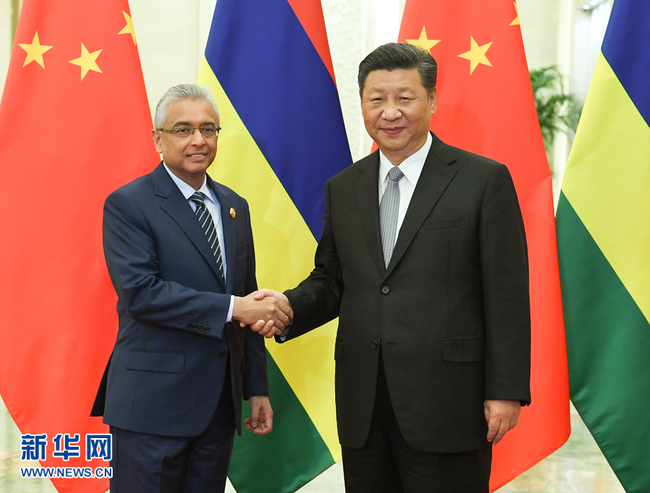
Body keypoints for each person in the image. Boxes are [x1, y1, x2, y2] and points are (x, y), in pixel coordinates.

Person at [254, 43, 531, 492]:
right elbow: (333, 279)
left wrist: (505, 390)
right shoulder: (344, 187)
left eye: (405, 98)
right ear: (362, 103)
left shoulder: (483, 180)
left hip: (448, 403)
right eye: (376, 99)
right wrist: (287, 306)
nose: (390, 112)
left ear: (432, 100)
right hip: (365, 405)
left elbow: (508, 293)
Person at [91, 84, 292, 493]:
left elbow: (247, 295)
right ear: (158, 139)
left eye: (208, 129)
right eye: (183, 129)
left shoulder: (234, 206)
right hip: (152, 408)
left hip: (218, 406)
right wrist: (235, 308)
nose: (198, 140)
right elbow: (142, 295)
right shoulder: (129, 204)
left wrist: (255, 388)